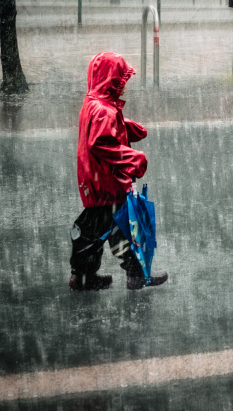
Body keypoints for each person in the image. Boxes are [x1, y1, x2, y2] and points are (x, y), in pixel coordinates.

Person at [69, 52, 169, 291]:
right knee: (100, 232)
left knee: (114, 230)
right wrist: (133, 159)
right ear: (111, 82)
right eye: (121, 82)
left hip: (98, 181)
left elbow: (105, 131)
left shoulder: (96, 103)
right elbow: (102, 143)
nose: (124, 87)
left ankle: (124, 275)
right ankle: (87, 277)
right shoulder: (103, 110)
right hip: (106, 184)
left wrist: (125, 127)